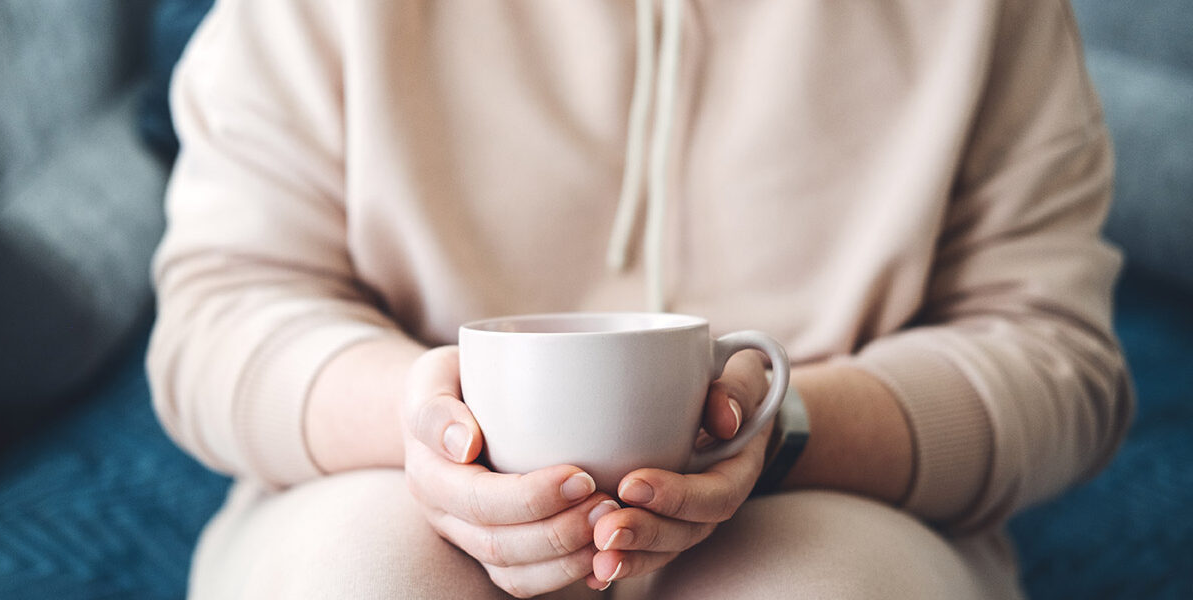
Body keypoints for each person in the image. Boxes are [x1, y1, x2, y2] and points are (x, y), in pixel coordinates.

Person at [147, 0, 1133, 598]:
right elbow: (223, 308)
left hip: (833, 496)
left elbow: (1057, 357)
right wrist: (421, 421)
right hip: (384, 490)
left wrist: (784, 430)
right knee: (358, 580)